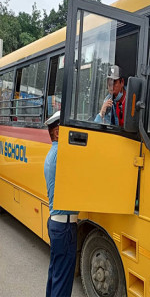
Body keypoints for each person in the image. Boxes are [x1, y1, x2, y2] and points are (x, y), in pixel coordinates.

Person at [44, 111, 79, 297]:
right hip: (64, 227)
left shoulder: (52, 154)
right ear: (58, 132)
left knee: (55, 275)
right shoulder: (60, 154)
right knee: (63, 283)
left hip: (57, 224)